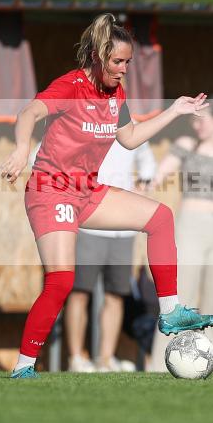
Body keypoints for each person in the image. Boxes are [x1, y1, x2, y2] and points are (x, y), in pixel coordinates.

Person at [0, 13, 213, 379]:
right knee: (62, 281)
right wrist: (23, 148)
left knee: (160, 217)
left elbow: (130, 137)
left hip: (86, 192)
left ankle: (170, 312)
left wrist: (174, 111)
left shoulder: (116, 93)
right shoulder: (70, 86)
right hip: (51, 191)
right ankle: (24, 366)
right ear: (97, 55)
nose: (123, 70)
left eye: (127, 63)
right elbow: (30, 111)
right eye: (117, 61)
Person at [149, 97, 213, 373]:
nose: (196, 125)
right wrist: (153, 179)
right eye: (193, 120)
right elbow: (163, 170)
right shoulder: (186, 145)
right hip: (189, 226)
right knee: (179, 299)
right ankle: (160, 365)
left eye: (200, 120)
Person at [66, 137, 156, 373]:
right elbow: (41, 156)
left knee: (116, 294)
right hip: (88, 224)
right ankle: (76, 358)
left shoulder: (132, 127)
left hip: (123, 228)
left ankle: (105, 359)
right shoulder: (80, 121)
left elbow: (148, 164)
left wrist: (142, 186)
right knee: (79, 292)